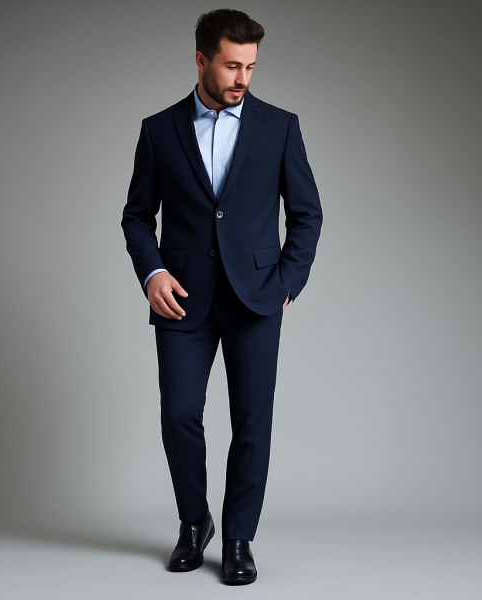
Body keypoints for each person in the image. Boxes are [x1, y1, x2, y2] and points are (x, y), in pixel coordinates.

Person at [121, 8, 322, 585]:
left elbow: (307, 214)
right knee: (179, 415)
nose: (243, 78)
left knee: (252, 422)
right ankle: (194, 522)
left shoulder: (280, 127)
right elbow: (137, 216)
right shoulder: (158, 130)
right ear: (201, 59)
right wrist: (152, 273)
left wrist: (287, 283)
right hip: (181, 297)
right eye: (232, 65)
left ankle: (238, 537)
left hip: (256, 298)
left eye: (251, 67)